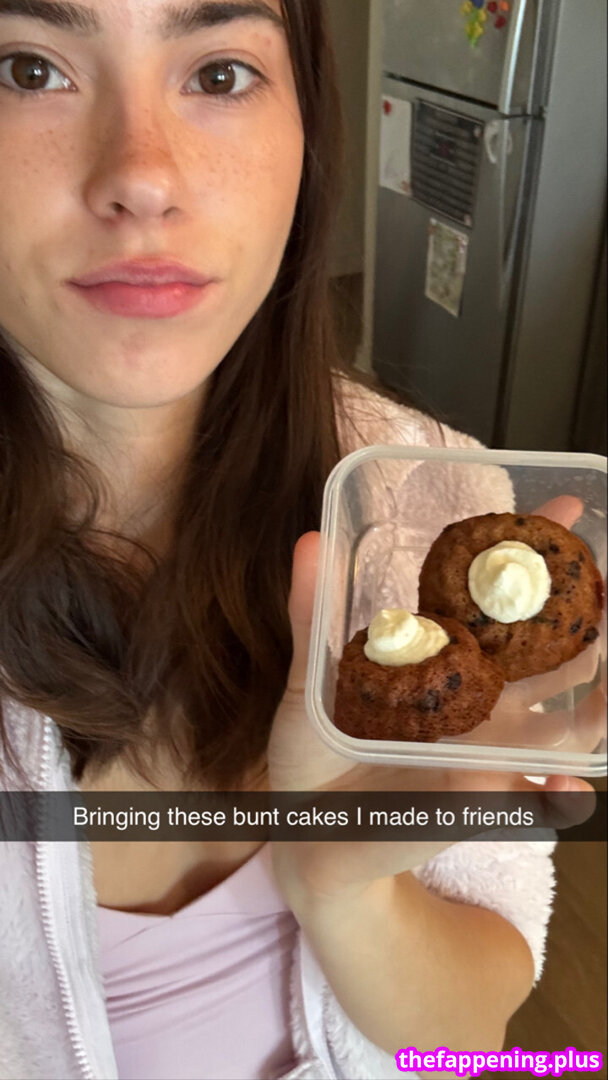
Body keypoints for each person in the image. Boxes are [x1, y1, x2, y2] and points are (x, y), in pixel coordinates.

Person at [0, 2, 596, 1079]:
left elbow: (465, 1038)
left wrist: (343, 882)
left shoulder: (430, 496)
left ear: (307, 134)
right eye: (27, 70)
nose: (144, 177)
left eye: (220, 74)